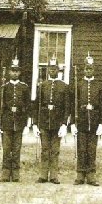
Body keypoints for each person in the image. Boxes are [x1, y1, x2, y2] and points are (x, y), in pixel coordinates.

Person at [70, 53, 102, 186]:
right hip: (81, 120)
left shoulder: (99, 85)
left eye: (91, 68)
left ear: (94, 69)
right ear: (84, 69)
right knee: (81, 148)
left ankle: (91, 175)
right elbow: (73, 104)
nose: (88, 70)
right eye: (86, 68)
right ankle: (80, 175)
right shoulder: (78, 85)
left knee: (92, 149)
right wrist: (73, 123)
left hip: (95, 120)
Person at [33, 56, 69, 184]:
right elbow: (37, 105)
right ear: (48, 70)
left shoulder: (64, 86)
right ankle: (43, 175)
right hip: (44, 121)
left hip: (57, 123)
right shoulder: (42, 85)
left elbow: (66, 107)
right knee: (45, 150)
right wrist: (35, 124)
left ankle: (54, 176)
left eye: (54, 68)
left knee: (55, 150)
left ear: (58, 70)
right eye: (50, 68)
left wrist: (64, 124)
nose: (52, 70)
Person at [0, 57, 31, 182]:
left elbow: (27, 106)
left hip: (19, 121)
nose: (15, 73)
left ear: (20, 72)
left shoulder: (24, 87)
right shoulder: (4, 87)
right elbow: (0, 106)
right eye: (13, 71)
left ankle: (16, 173)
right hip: (6, 121)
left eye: (17, 71)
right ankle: (5, 173)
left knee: (16, 148)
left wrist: (27, 123)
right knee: (6, 148)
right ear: (9, 72)